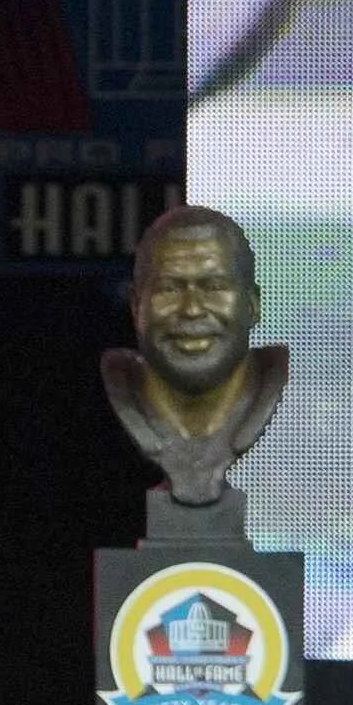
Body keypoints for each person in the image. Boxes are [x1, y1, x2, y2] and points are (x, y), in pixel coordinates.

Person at [100, 205, 286, 508]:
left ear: (252, 304)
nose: (192, 309)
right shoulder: (117, 390)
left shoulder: (278, 391)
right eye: (170, 288)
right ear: (137, 306)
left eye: (213, 287)